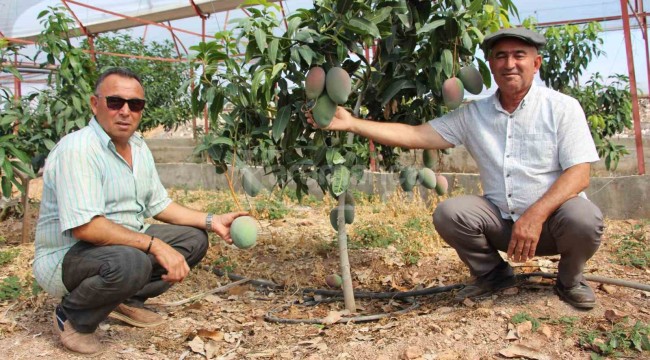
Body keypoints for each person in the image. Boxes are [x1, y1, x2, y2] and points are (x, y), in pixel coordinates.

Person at [309, 28, 603, 310]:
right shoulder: (474, 114)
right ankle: (493, 276)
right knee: (449, 213)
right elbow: (415, 136)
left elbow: (580, 173)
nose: (509, 63)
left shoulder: (563, 108)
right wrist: (351, 123)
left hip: (553, 225)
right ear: (490, 64)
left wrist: (536, 216)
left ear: (536, 63)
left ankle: (570, 281)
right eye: (500, 56)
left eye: (519, 55)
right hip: (502, 223)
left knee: (584, 217)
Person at [34, 67, 248, 355]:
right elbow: (86, 227)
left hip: (117, 249)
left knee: (193, 240)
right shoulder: (79, 149)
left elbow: (160, 205)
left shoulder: (137, 146)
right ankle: (73, 317)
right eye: (115, 102)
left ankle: (124, 301)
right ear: (95, 104)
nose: (125, 111)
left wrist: (212, 221)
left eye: (135, 105)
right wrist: (154, 244)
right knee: (133, 261)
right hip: (68, 256)